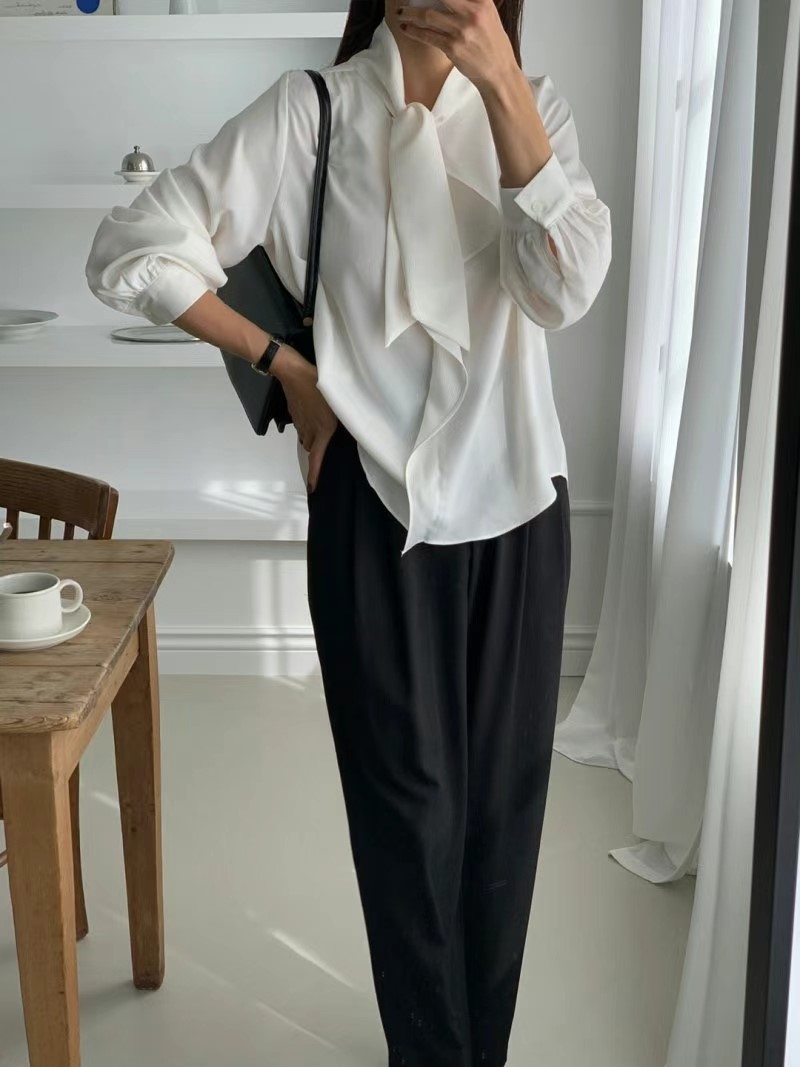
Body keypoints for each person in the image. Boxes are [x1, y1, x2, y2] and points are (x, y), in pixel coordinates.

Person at [85, 2, 611, 1063]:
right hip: (374, 513)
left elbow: (563, 291)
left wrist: (502, 85)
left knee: (504, 815)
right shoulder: (310, 113)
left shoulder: (533, 110)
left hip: (518, 506)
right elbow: (132, 248)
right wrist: (285, 366)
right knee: (406, 818)